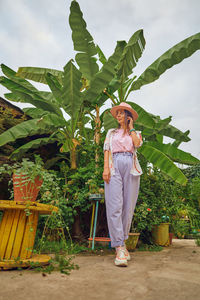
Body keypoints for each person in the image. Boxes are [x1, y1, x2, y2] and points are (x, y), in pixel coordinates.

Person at [103, 102, 143, 267]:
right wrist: (106, 168)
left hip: (131, 167)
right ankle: (119, 247)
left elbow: (137, 144)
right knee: (114, 206)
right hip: (114, 165)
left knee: (128, 207)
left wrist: (131, 127)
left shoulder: (136, 133)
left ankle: (123, 242)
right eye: (117, 113)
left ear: (128, 116)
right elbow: (106, 150)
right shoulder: (111, 133)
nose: (118, 115)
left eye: (121, 113)